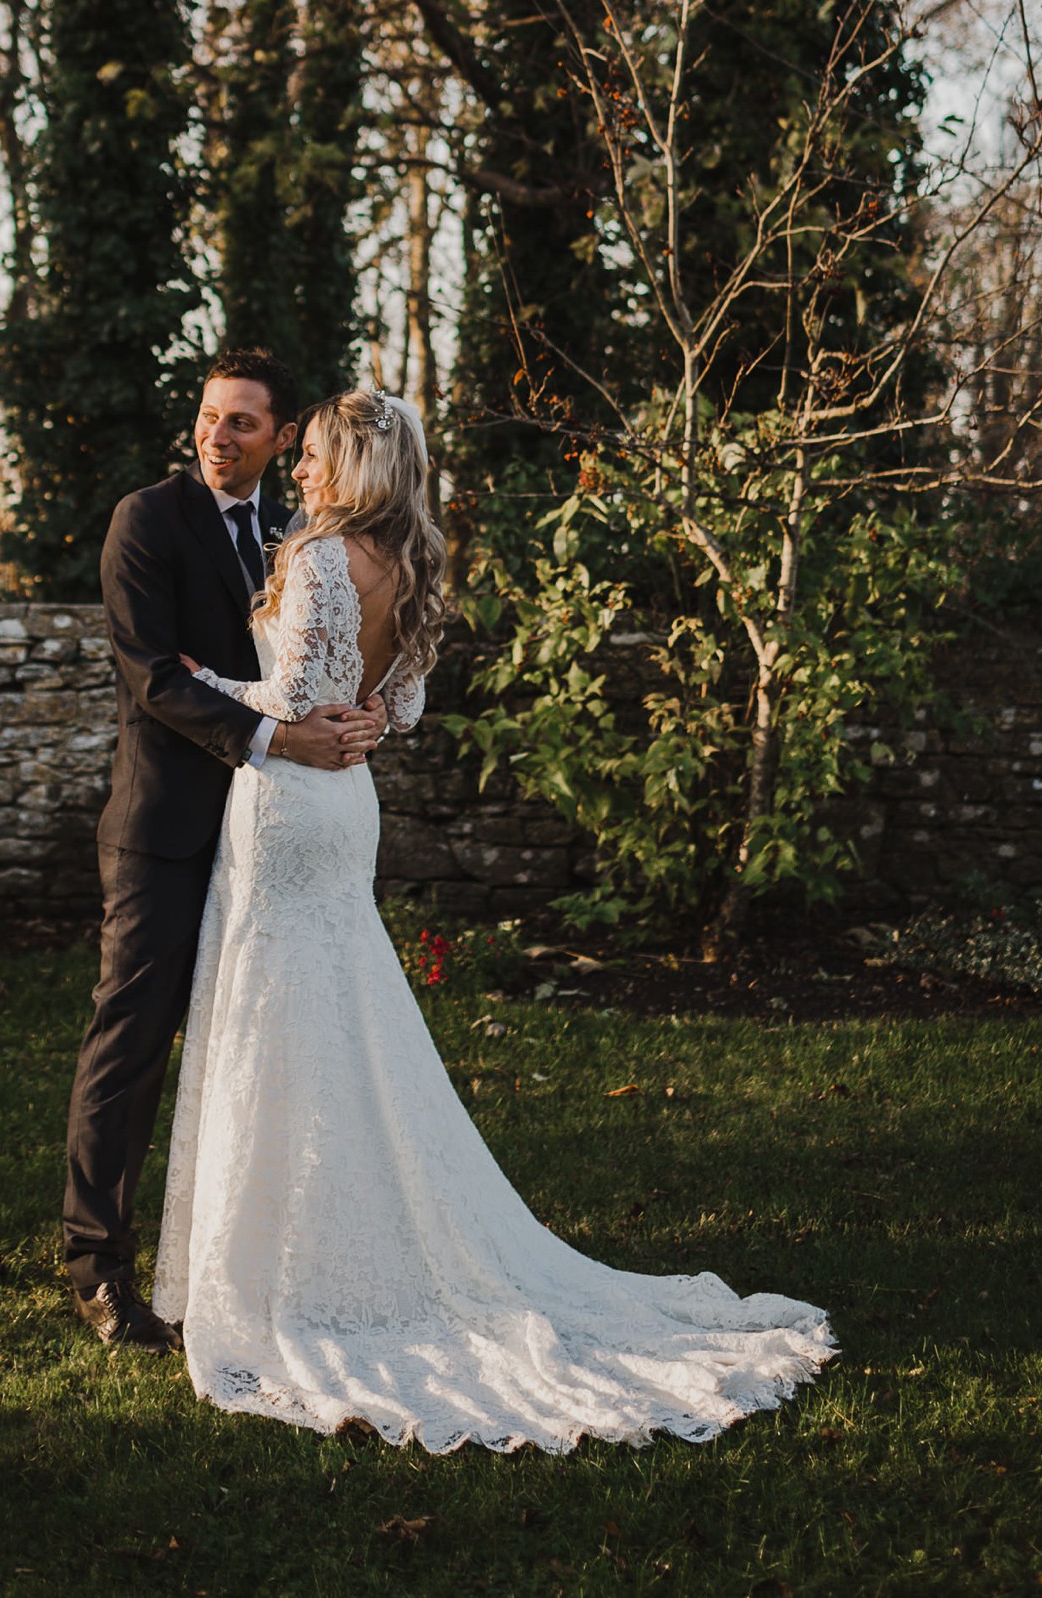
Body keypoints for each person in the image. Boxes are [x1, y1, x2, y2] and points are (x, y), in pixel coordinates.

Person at [155, 386, 837, 1453]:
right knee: (339, 1013)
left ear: (350, 469)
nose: (296, 473)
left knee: (275, 1016)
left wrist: (210, 683)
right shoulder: (413, 567)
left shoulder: (319, 558)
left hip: (291, 801)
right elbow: (402, 708)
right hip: (351, 806)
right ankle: (337, 1232)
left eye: (313, 458)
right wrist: (366, 709)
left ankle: (283, 1270)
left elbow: (289, 699)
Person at [62, 350, 382, 1350]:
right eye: (209, 416)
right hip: (165, 831)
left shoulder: (306, 534)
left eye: (243, 422)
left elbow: (337, 653)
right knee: (131, 1040)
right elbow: (152, 675)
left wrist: (362, 718)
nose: (217, 434)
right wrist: (280, 738)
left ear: (284, 438)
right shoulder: (145, 520)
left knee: (262, 1049)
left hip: (272, 838)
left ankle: (250, 1259)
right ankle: (98, 1267)